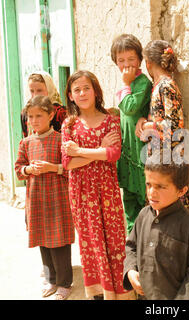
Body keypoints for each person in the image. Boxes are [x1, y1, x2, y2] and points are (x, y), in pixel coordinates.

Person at [61, 70, 129, 300]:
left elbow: (114, 153)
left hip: (106, 192)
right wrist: (98, 150)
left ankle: (121, 293)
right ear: (70, 95)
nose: (82, 93)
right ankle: (99, 293)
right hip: (80, 193)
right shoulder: (68, 125)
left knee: (114, 240)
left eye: (86, 88)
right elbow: (67, 163)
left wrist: (80, 151)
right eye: (76, 90)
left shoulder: (111, 120)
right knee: (90, 243)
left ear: (96, 91)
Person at [15, 95, 74, 300]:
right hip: (37, 200)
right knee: (42, 240)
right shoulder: (26, 143)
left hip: (57, 200)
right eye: (30, 117)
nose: (34, 121)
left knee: (59, 242)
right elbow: (18, 170)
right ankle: (51, 280)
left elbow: (70, 169)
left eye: (39, 115)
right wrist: (29, 169)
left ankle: (65, 283)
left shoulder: (60, 140)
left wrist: (53, 168)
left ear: (50, 115)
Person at [123, 161, 189, 299]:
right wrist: (131, 270)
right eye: (148, 184)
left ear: (182, 190)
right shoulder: (143, 215)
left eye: (160, 187)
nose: (151, 192)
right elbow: (131, 247)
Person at [136, 40, 189, 208]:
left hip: (169, 159)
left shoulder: (166, 86)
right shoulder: (159, 86)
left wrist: (148, 127)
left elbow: (174, 125)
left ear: (148, 63)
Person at [110, 34, 152, 235]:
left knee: (144, 199)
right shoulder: (126, 84)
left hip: (140, 153)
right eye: (121, 61)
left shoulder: (141, 82)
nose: (126, 65)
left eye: (131, 60)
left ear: (140, 60)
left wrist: (126, 84)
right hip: (127, 153)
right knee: (129, 202)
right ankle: (132, 244)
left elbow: (131, 107)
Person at [21, 71, 67, 137]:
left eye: (39, 90)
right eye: (32, 91)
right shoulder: (25, 112)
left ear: (49, 89)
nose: (35, 95)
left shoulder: (60, 112)